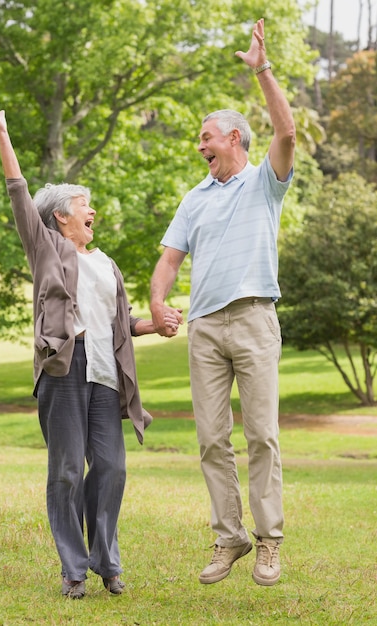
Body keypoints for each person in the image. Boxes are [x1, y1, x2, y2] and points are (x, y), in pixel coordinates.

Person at [0, 96, 180, 599]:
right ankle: (74, 567)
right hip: (66, 368)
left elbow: (117, 322)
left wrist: (155, 324)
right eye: (85, 204)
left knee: (110, 466)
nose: (93, 211)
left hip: (108, 373)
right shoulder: (46, 247)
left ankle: (106, 560)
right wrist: (4, 138)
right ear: (62, 217)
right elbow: (20, 195)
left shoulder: (107, 263)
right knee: (66, 470)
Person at [150, 18, 296, 587]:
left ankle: (268, 541)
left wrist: (261, 68)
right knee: (212, 439)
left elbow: (286, 133)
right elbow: (168, 259)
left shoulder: (265, 181)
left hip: (255, 319)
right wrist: (159, 302)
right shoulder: (194, 196)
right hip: (206, 327)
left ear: (233, 138)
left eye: (207, 137)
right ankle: (229, 535)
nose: (200, 146)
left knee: (261, 433)